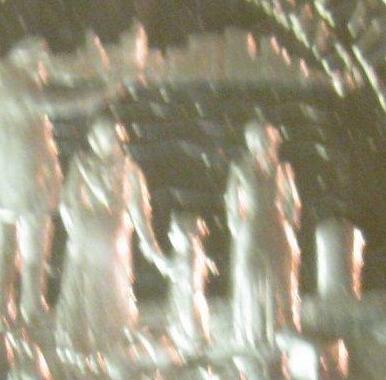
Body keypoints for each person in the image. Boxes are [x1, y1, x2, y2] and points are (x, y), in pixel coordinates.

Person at [0, 37, 111, 329]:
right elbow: (66, 105)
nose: (44, 71)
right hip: (33, 179)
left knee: (4, 246)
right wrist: (103, 92)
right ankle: (31, 305)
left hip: (2, 181)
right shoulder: (27, 93)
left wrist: (3, 146)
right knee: (34, 247)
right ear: (29, 64)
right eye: (41, 64)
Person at [55, 116, 166, 358]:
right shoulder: (123, 169)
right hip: (102, 235)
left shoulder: (116, 169)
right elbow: (138, 211)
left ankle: (93, 338)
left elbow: (68, 204)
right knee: (104, 285)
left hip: (97, 236)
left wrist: (77, 229)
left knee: (94, 285)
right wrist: (149, 244)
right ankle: (100, 339)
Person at [225, 120, 302, 347]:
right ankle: (252, 332)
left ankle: (283, 328)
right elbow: (232, 205)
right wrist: (239, 230)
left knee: (281, 278)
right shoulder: (239, 169)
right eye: (268, 140)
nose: (273, 144)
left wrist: (290, 225)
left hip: (277, 228)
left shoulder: (283, 170)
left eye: (272, 140)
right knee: (250, 278)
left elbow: (293, 202)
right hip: (251, 230)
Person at [165, 212, 217, 353]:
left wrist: (162, 262)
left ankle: (193, 341)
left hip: (187, 297)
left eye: (173, 232)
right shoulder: (191, 252)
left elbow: (178, 271)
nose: (170, 235)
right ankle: (195, 340)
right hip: (189, 295)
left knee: (189, 317)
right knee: (192, 315)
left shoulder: (188, 255)